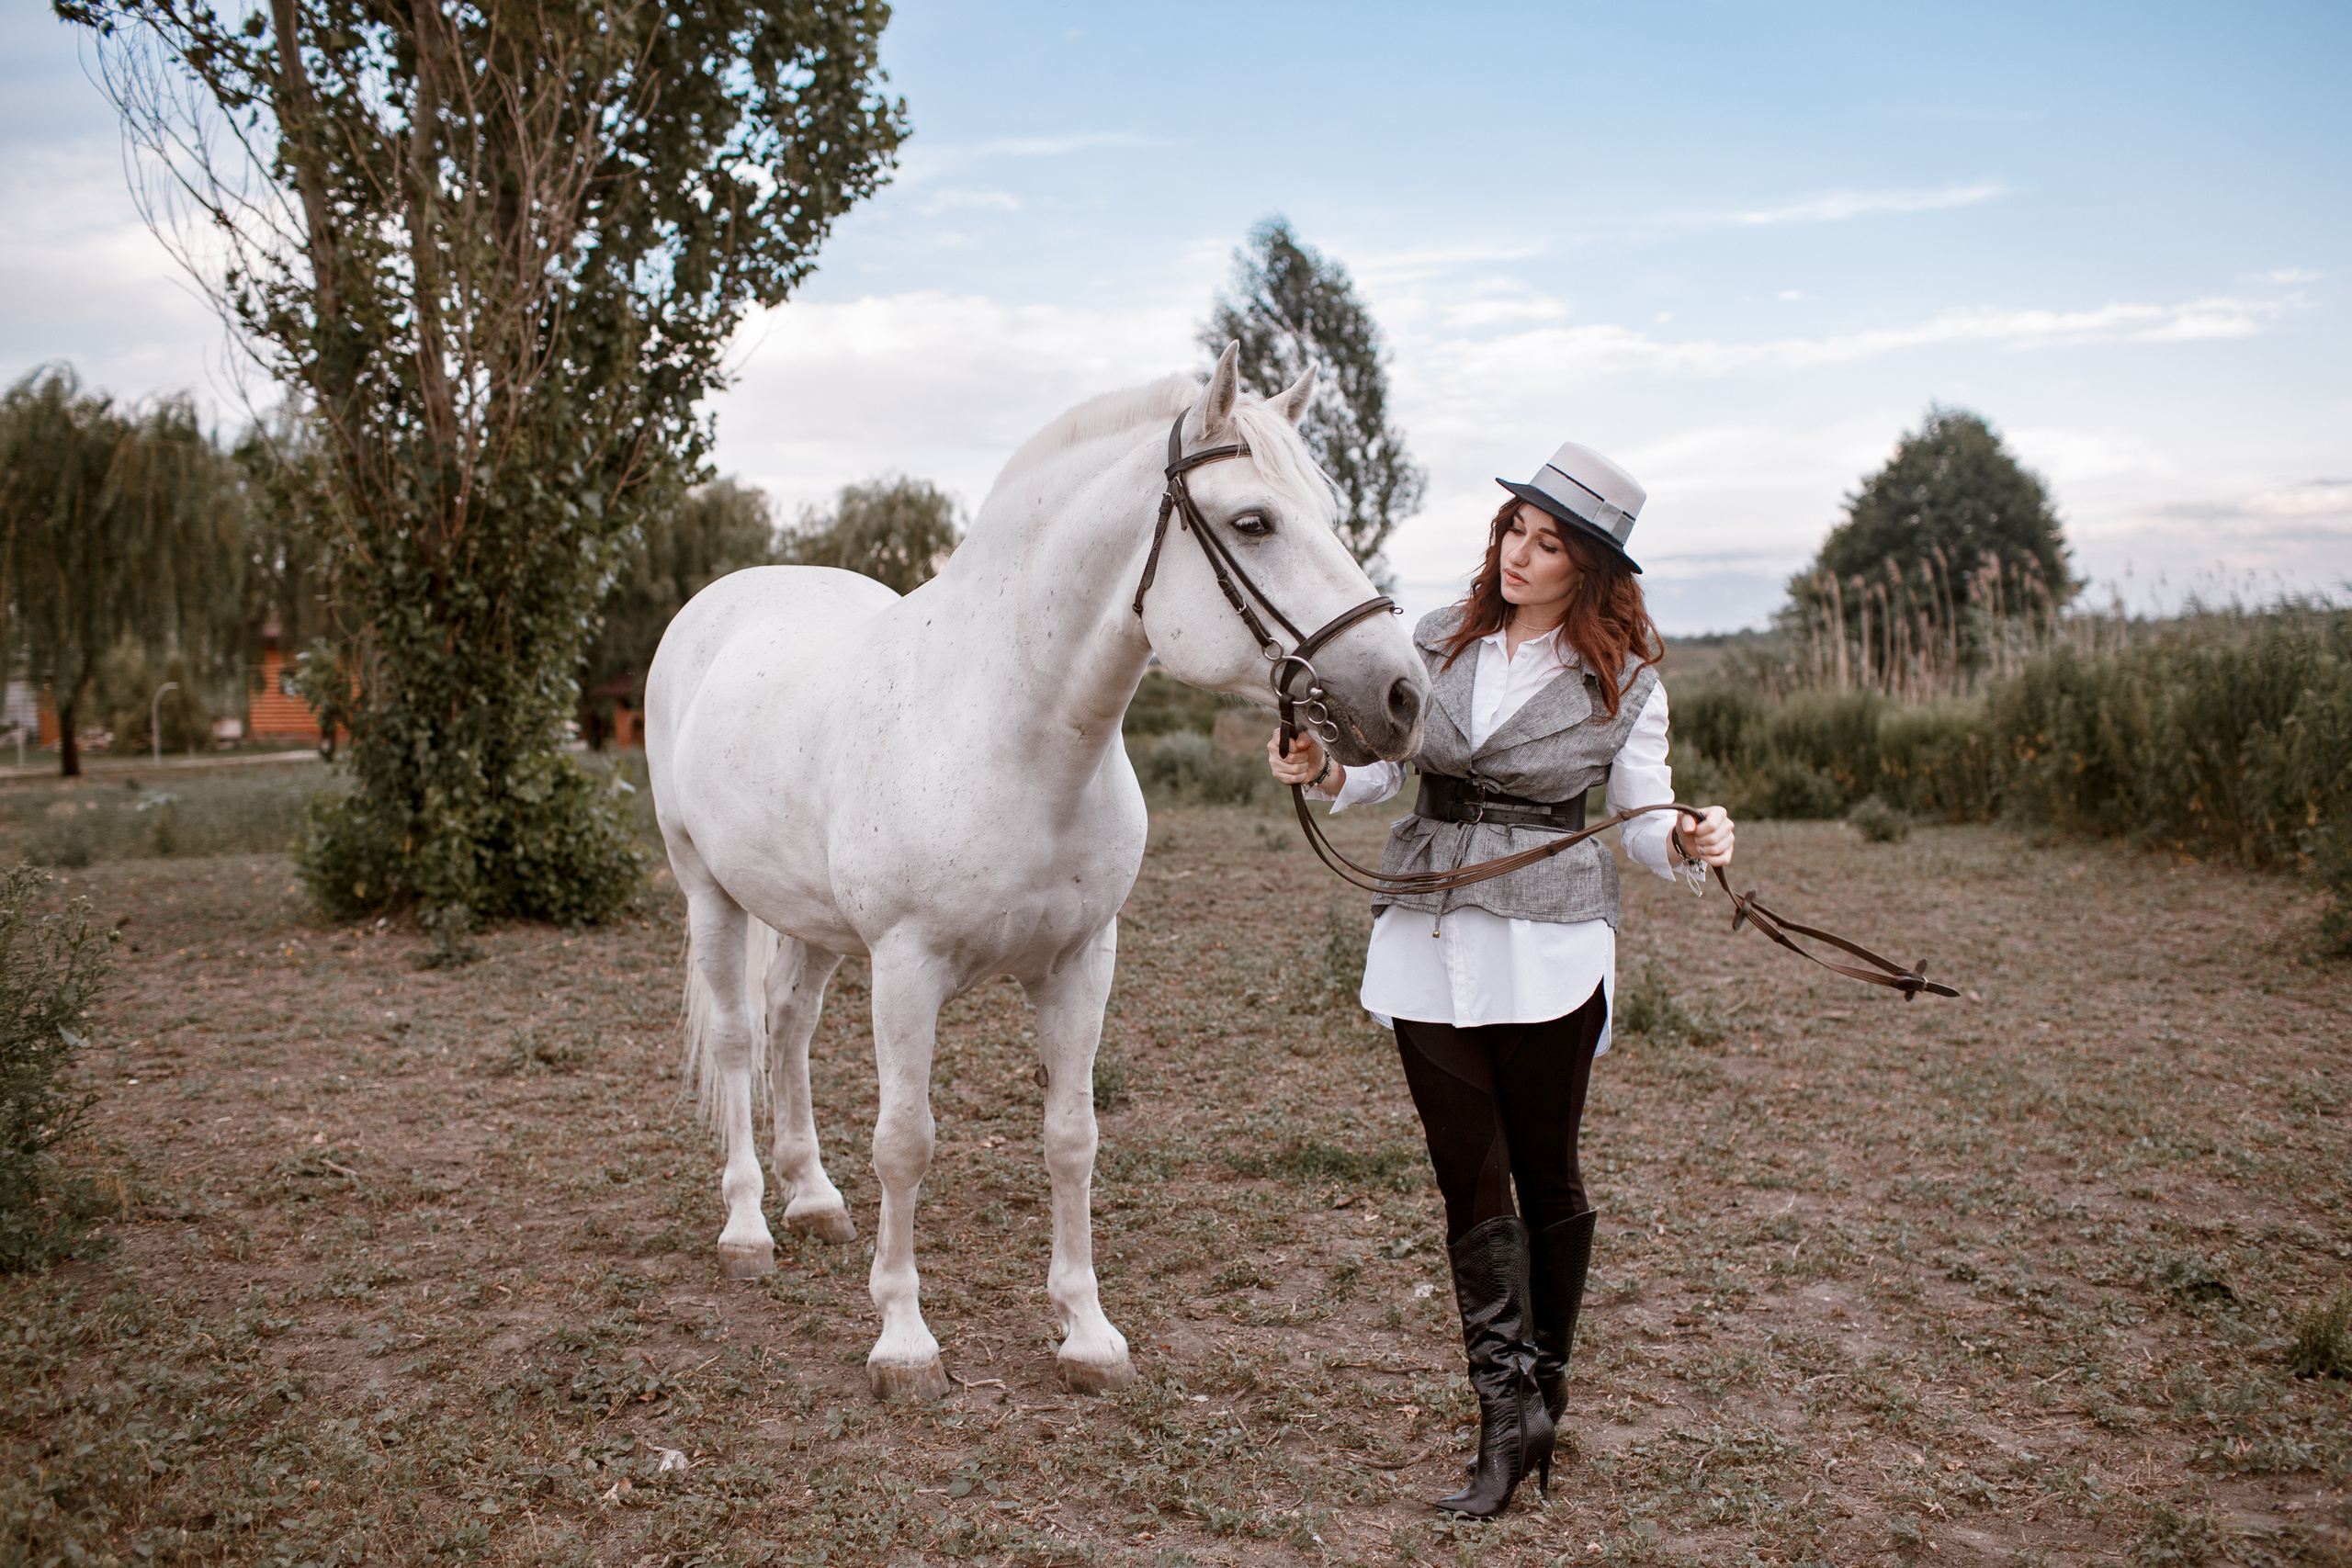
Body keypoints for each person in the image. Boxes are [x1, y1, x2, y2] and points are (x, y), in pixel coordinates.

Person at [1267, 440, 1735, 1518]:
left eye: (1549, 543)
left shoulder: (1626, 682)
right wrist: (1326, 767)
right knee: (1466, 1179)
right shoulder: (1436, 638)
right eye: (1515, 531)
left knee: (1545, 1173)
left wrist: (1691, 837)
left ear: (1589, 568)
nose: (1520, 554)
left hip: (1549, 948)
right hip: (1425, 934)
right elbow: (1386, 763)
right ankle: (1504, 1414)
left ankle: (1543, 1393)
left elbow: (1641, 817)